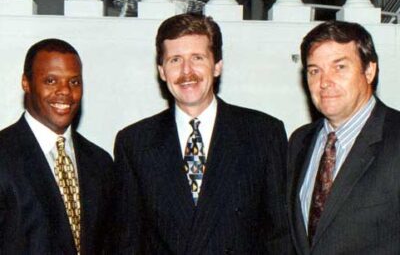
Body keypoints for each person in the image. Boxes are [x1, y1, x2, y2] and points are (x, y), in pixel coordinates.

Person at [114, 13, 293, 254]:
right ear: (162, 71)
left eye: (197, 58)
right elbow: (128, 241)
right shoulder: (135, 143)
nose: (187, 72)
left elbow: (279, 236)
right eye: (175, 60)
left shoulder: (263, 134)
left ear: (217, 65)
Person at [288, 20, 400, 254]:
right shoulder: (300, 141)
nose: (324, 82)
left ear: (369, 70)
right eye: (314, 71)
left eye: (339, 67)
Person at [0, 38, 114, 254]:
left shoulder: (101, 163)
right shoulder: (4, 155)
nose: (65, 92)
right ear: (26, 83)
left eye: (74, 82)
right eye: (51, 81)